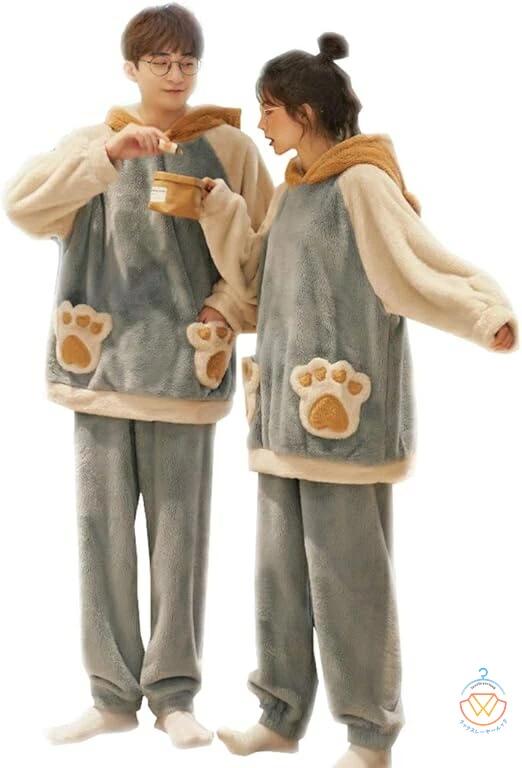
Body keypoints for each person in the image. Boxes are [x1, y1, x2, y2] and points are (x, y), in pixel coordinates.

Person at [197, 32, 517, 768]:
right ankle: (280, 716)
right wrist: (220, 213)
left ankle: (370, 737)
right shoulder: (295, 190)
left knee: (349, 583)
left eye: (269, 110)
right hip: (281, 419)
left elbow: (416, 266)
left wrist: (483, 314)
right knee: (278, 580)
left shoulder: (363, 182)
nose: (262, 123)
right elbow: (256, 282)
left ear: (304, 112)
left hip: (343, 421)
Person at [4, 2, 272, 749]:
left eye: (187, 62)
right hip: (99, 371)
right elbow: (22, 206)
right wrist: (110, 156)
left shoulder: (228, 147)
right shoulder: (96, 142)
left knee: (179, 543)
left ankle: (174, 695)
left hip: (185, 370)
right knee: (101, 539)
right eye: (161, 61)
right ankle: (111, 697)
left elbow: (263, 253)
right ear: (132, 67)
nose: (176, 74)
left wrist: (226, 308)